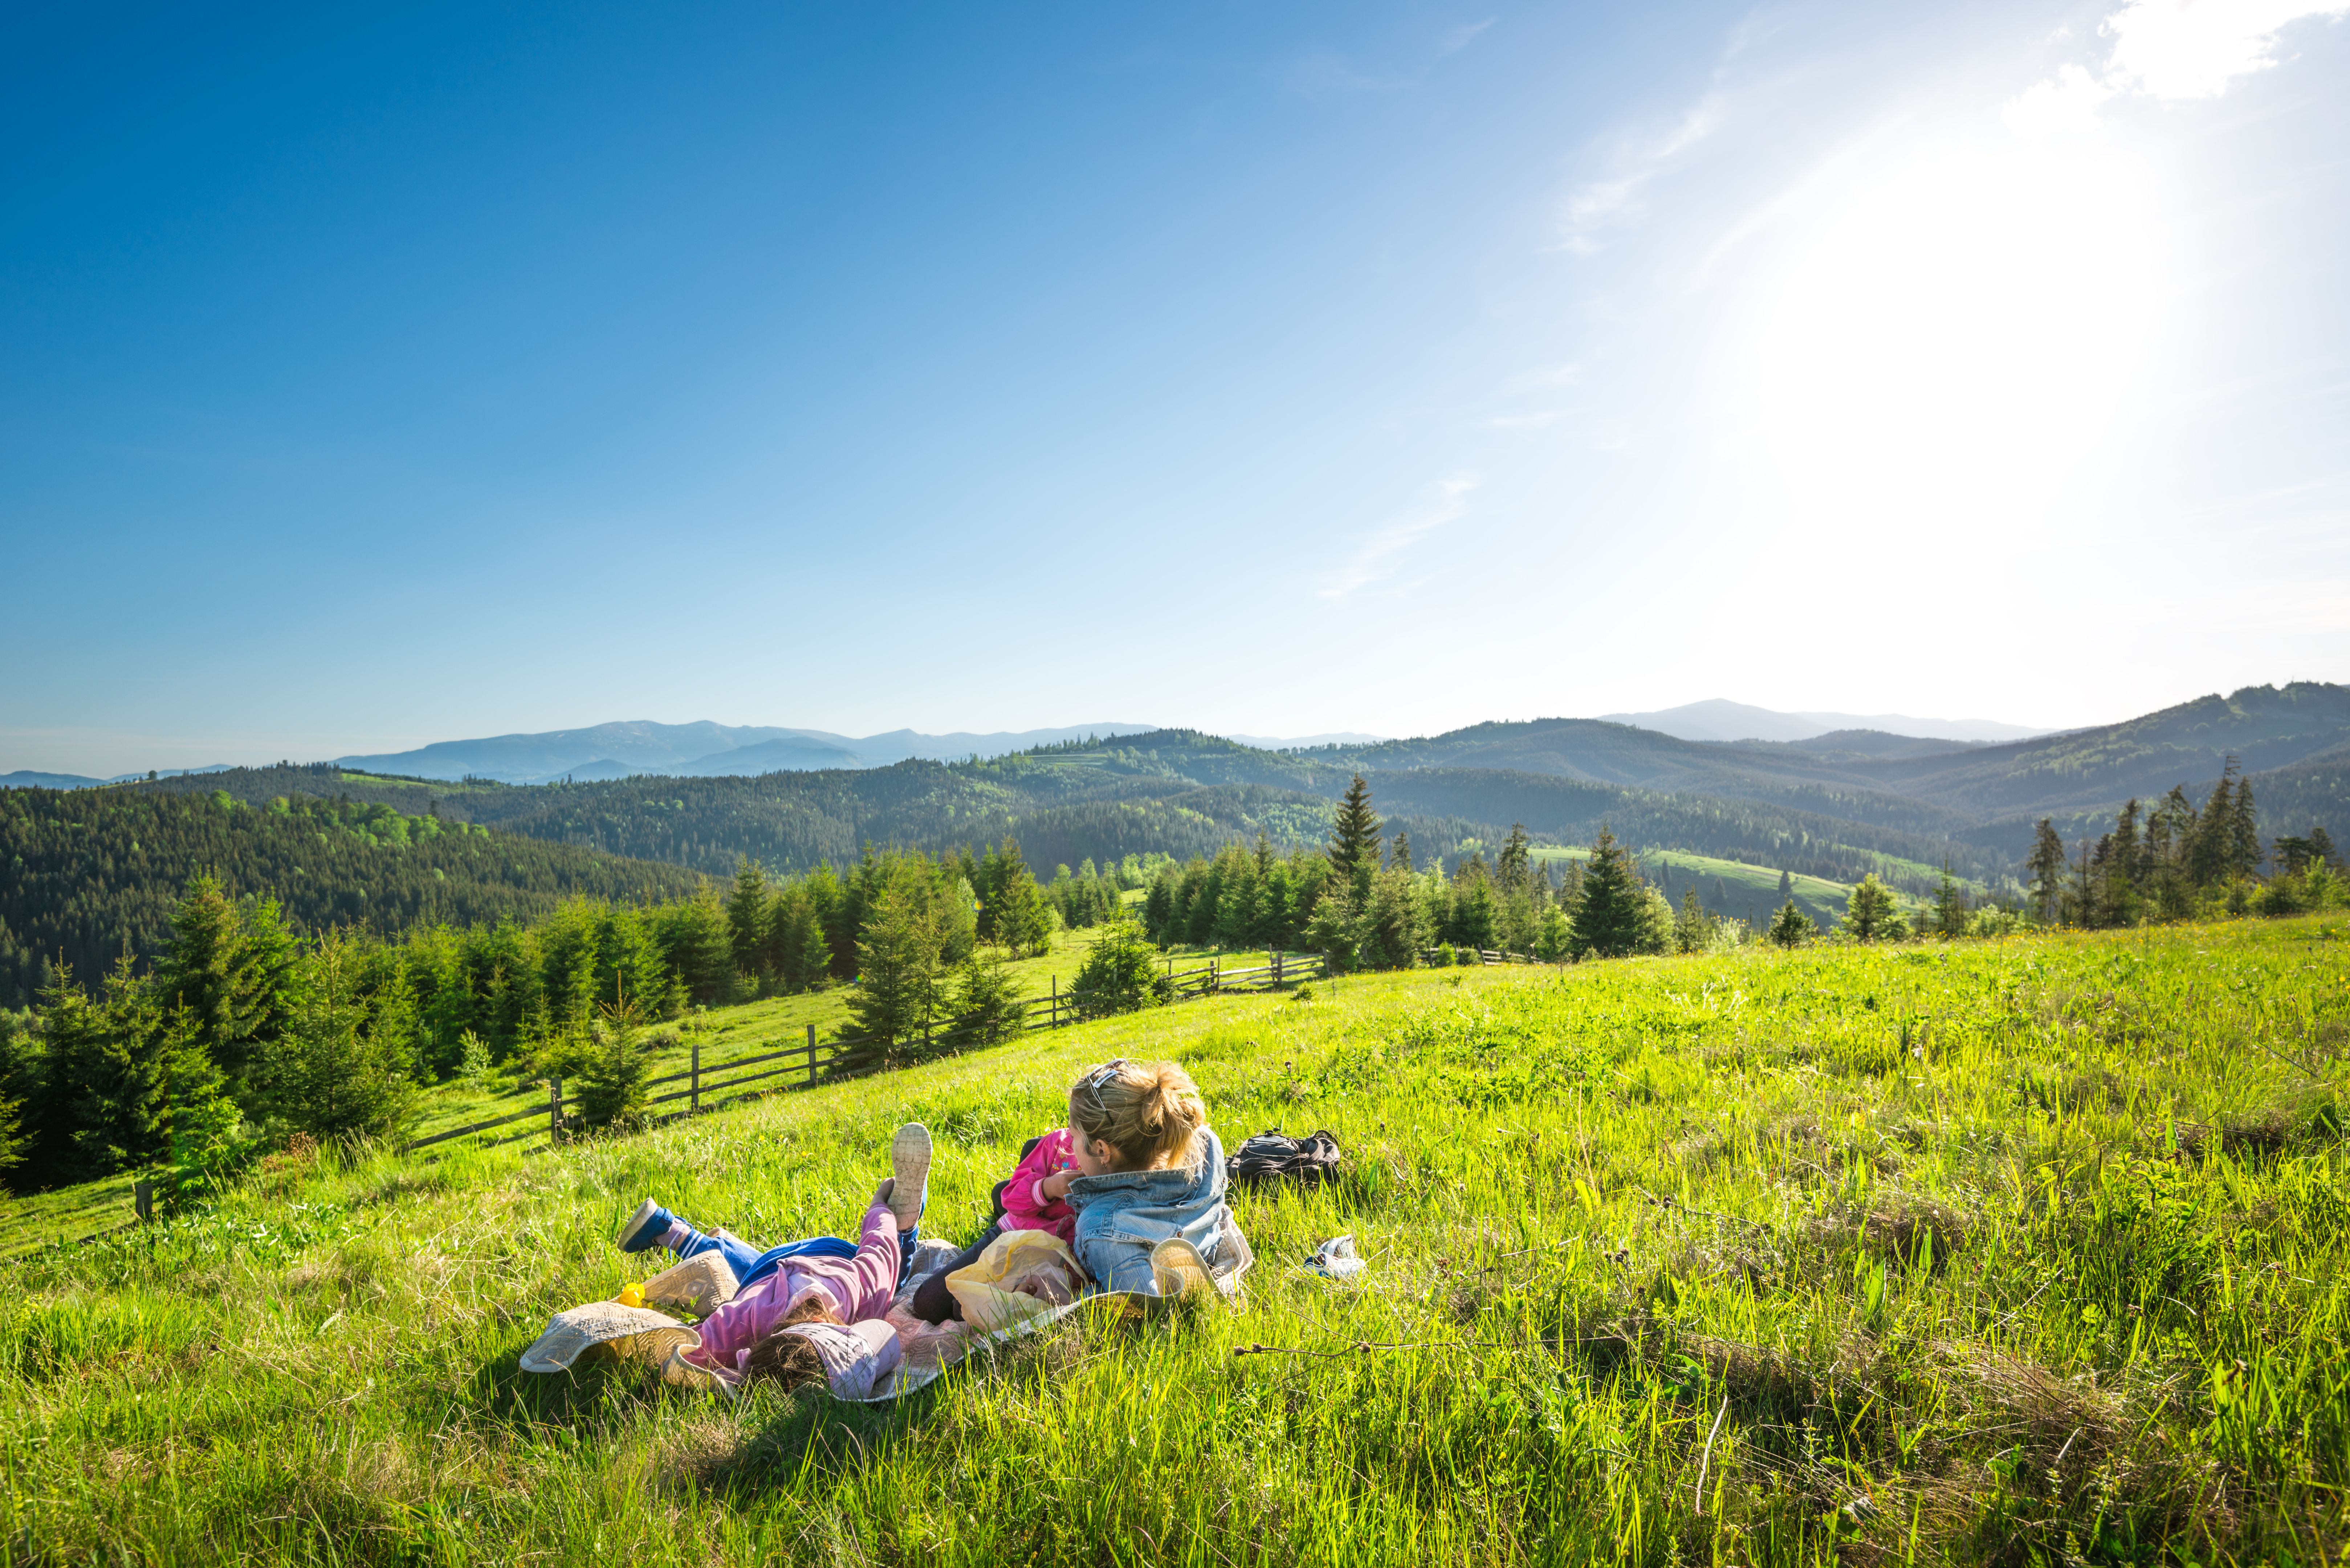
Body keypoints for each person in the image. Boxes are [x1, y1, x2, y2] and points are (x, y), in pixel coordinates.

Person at [614, 1122, 931, 1398]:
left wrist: (882, 1209)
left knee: (893, 1280)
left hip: (831, 1259)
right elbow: (680, 1354)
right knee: (746, 1275)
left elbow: (879, 1249)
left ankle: (904, 1230)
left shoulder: (858, 1301)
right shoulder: (737, 1327)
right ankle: (670, 1231)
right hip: (779, 1270)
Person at [1063, 1057, 1250, 1296]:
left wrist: (1066, 1294)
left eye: (1073, 1137)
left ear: (1102, 1150)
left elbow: (1148, 1303)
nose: (1070, 1145)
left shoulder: (1100, 1227)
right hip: (1208, 1246)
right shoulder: (1205, 1143)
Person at [905, 1126, 1079, 1324]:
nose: (1073, 1140)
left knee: (961, 1311)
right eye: (1073, 1130)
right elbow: (1011, 1197)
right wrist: (1049, 1187)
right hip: (1009, 1234)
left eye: (1079, 1134)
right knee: (927, 1305)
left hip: (1046, 1259)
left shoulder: (1105, 1176)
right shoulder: (1059, 1142)